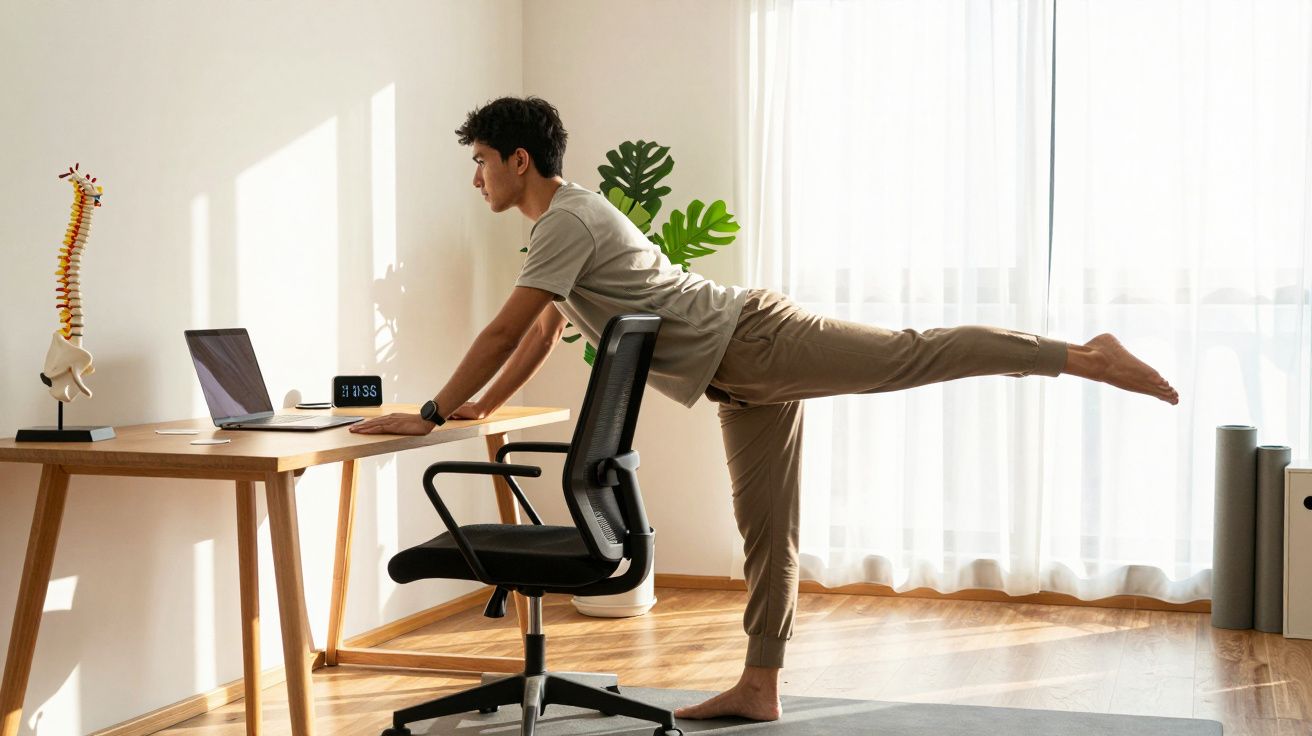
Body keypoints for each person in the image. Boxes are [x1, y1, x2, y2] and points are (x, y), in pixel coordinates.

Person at [350, 96, 1180, 721]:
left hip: (753, 340)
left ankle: (1080, 356)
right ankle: (760, 686)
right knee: (767, 524)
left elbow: (502, 328)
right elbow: (533, 333)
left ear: (520, 160)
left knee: (909, 353)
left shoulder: (565, 219)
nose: (477, 177)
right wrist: (472, 410)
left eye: (484, 161)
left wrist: (428, 411)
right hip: (734, 375)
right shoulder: (562, 227)